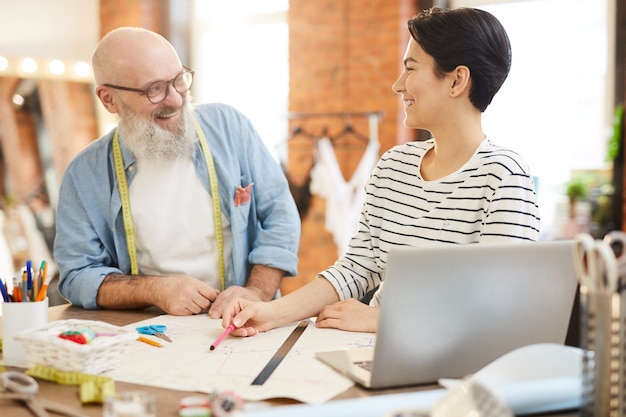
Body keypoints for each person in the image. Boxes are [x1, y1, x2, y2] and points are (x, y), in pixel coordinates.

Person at [221, 6, 540, 335]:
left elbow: (501, 307)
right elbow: (357, 267)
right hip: (371, 352)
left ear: (457, 80)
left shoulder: (504, 176)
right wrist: (269, 313)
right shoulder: (393, 165)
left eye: (411, 69)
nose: (397, 85)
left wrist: (385, 321)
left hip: (448, 367)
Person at [54, 27, 300, 316]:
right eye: (154, 89)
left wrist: (256, 291)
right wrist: (156, 290)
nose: (175, 99)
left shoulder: (229, 128)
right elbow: (77, 275)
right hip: (148, 329)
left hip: (242, 317)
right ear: (108, 99)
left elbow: (279, 215)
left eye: (179, 80)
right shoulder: (83, 176)